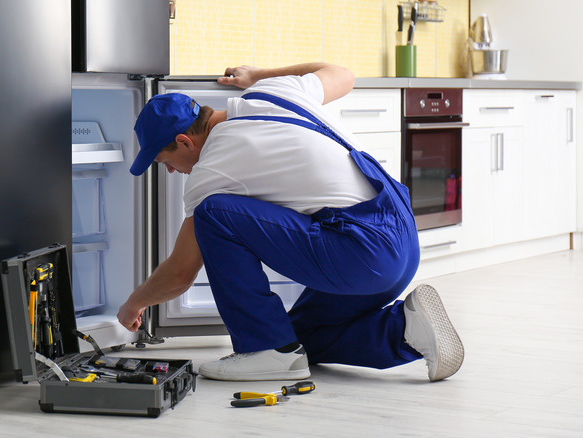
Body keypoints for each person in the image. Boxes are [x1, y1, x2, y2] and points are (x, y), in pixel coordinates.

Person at [117, 62, 464, 382]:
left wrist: (134, 304)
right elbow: (343, 74)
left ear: (184, 141)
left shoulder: (211, 170)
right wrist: (262, 75)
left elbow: (181, 271)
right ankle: (406, 329)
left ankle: (265, 350)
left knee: (213, 213)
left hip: (362, 254)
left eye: (165, 161)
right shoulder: (275, 90)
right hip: (399, 240)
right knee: (302, 339)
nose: (172, 170)